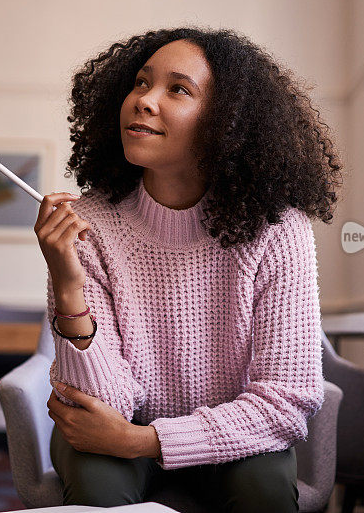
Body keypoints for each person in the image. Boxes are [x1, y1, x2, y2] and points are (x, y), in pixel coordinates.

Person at [33, 27, 343, 512]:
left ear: (227, 121)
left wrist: (144, 442)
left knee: (264, 487)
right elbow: (103, 405)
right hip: (115, 429)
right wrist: (68, 285)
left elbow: (286, 401)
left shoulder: (277, 229)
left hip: (232, 439)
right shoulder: (88, 225)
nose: (144, 100)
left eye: (178, 89)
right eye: (140, 82)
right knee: (97, 481)